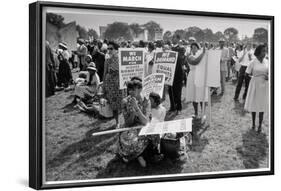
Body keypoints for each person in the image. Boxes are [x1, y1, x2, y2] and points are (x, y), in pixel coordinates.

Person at [118, 80, 150, 167]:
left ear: (140, 89)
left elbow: (145, 121)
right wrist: (132, 113)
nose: (130, 92)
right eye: (129, 89)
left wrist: (136, 108)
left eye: (133, 89)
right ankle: (138, 156)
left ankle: (140, 155)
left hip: (142, 126)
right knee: (128, 138)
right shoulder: (125, 101)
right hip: (130, 127)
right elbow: (128, 123)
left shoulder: (146, 100)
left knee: (144, 137)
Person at [244, 44, 268, 133]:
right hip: (254, 85)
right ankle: (253, 123)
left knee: (262, 105)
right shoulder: (253, 62)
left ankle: (260, 126)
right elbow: (246, 74)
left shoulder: (267, 62)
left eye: (265, 51)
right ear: (258, 52)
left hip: (264, 85)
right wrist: (254, 78)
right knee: (254, 104)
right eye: (263, 51)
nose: (264, 53)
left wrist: (268, 77)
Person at [103, 41, 127, 127]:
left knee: (123, 103)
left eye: (111, 48)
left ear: (116, 50)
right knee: (114, 104)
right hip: (110, 85)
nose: (109, 50)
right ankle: (117, 122)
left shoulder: (122, 58)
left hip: (120, 84)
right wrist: (103, 85)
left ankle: (126, 120)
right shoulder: (107, 60)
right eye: (108, 48)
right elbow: (104, 73)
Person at [185, 42, 207, 118]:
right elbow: (195, 62)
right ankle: (196, 113)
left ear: (198, 48)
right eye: (192, 47)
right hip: (192, 76)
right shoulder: (189, 56)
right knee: (194, 95)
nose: (193, 49)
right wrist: (203, 54)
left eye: (195, 47)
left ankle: (203, 113)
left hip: (200, 76)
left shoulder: (201, 55)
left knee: (201, 95)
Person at [169, 35, 186, 113]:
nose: (172, 39)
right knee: (170, 90)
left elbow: (180, 57)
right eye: (172, 38)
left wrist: (170, 51)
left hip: (178, 72)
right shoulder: (169, 48)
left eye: (174, 38)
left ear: (178, 39)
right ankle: (172, 106)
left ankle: (179, 107)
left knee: (178, 91)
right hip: (170, 72)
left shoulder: (181, 48)